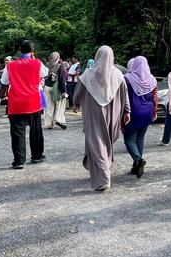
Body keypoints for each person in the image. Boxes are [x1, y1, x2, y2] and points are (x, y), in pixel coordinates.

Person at [72, 45, 130, 191]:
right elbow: (125, 94)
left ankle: (104, 177)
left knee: (97, 143)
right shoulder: (118, 74)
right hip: (113, 113)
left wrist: (76, 103)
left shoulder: (88, 74)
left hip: (93, 113)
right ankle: (102, 169)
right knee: (105, 142)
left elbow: (78, 92)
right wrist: (127, 111)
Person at [0, 39, 48, 169]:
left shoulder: (11, 65)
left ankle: (19, 160)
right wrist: (33, 58)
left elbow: (4, 81)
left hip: (16, 102)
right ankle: (37, 155)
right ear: (32, 50)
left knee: (17, 132)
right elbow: (45, 73)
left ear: (19, 50)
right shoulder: (37, 63)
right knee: (36, 129)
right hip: (33, 101)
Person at [122, 55, 158, 179]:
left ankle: (138, 159)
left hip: (132, 113)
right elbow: (155, 97)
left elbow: (122, 97)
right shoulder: (152, 79)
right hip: (147, 113)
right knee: (140, 138)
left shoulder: (127, 79)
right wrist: (154, 111)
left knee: (129, 139)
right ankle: (136, 166)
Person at [43, 51, 69, 130]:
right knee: (59, 105)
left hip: (47, 87)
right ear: (58, 58)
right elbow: (61, 80)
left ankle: (49, 124)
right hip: (56, 88)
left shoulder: (47, 65)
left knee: (48, 106)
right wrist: (64, 91)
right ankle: (58, 120)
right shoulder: (59, 66)